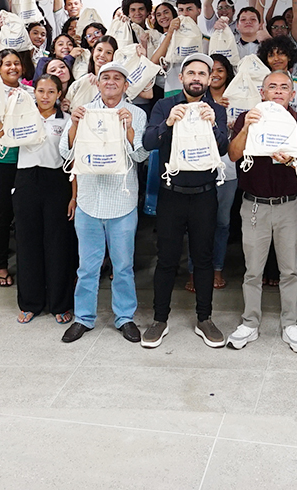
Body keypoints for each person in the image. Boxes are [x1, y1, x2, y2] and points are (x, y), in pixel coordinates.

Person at [141, 53, 229, 348]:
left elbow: (223, 148)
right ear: (182, 77)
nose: (196, 78)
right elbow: (148, 142)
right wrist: (167, 123)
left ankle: (204, 319)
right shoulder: (165, 105)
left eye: (201, 74)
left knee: (203, 259)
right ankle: (159, 320)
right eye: (190, 72)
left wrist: (215, 125)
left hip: (205, 195)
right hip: (172, 195)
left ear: (208, 79)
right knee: (166, 260)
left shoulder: (216, 109)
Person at [226, 71, 297, 353]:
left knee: (289, 269)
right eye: (272, 87)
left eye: (284, 87)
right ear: (262, 93)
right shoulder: (248, 117)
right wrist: (244, 129)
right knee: (252, 270)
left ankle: (290, 323)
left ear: (293, 94)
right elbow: (233, 154)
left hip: (289, 205)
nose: (278, 91)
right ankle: (250, 323)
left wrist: (293, 160)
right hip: (254, 204)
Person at [59, 61, 149, 344]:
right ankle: (83, 318)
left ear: (126, 85)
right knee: (87, 266)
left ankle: (125, 317)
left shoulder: (135, 113)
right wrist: (74, 126)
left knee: (122, 265)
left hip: (122, 201)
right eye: (105, 77)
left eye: (117, 78)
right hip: (88, 198)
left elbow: (141, 156)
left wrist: (129, 128)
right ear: (97, 83)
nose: (111, 82)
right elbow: (65, 152)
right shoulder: (84, 111)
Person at [13, 74, 76, 323]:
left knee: (58, 245)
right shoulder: (22, 117)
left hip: (57, 182)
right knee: (28, 244)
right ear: (34, 93)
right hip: (26, 181)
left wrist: (73, 196)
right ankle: (30, 302)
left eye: (51, 91)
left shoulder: (68, 120)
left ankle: (60, 304)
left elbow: (73, 160)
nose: (46, 96)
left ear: (59, 95)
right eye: (41, 91)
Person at [0, 48, 34, 286]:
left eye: (16, 63)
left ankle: (28, 264)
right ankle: (1, 265)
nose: (13, 67)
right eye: (7, 64)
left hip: (28, 163)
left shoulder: (32, 93)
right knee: (2, 215)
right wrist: (9, 106)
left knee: (26, 217)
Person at [199, 53, 238, 290]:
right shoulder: (194, 97)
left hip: (228, 168)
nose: (215, 74)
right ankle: (196, 270)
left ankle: (217, 268)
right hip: (198, 166)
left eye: (220, 70)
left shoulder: (237, 96)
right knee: (199, 224)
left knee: (222, 223)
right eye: (209, 70)